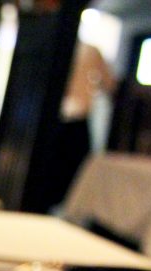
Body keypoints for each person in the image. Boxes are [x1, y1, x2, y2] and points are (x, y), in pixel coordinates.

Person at [47, 41, 117, 210]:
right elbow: (109, 84)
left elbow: (109, 84)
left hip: (73, 121)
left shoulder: (90, 50)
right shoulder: (89, 50)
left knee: (70, 174)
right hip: (69, 121)